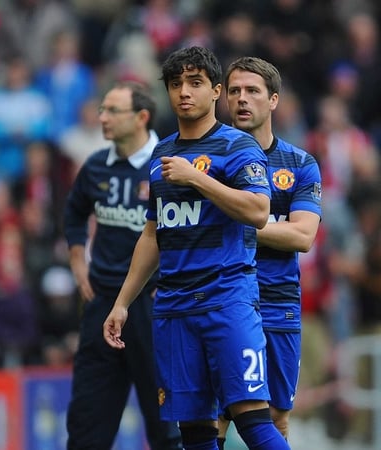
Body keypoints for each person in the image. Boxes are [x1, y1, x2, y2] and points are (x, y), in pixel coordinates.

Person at [103, 46, 291, 450]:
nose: (184, 93)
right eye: (175, 84)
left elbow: (259, 211)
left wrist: (198, 179)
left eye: (194, 83)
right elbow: (153, 233)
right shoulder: (161, 153)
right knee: (194, 435)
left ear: (215, 91)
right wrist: (121, 302)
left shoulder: (238, 147)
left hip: (227, 301)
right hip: (173, 309)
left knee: (254, 422)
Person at [63, 81, 182, 449]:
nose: (102, 118)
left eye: (112, 111)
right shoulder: (96, 166)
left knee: (166, 424)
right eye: (102, 109)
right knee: (86, 424)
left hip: (153, 305)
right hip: (101, 303)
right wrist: (78, 262)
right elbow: (73, 214)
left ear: (142, 117)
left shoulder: (170, 166)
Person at [217, 57, 322, 447]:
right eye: (234, 91)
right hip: (220, 299)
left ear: (273, 100)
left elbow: (303, 237)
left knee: (275, 420)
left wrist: (240, 220)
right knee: (213, 422)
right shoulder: (209, 161)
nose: (242, 100)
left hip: (278, 303)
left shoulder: (299, 164)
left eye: (252, 91)